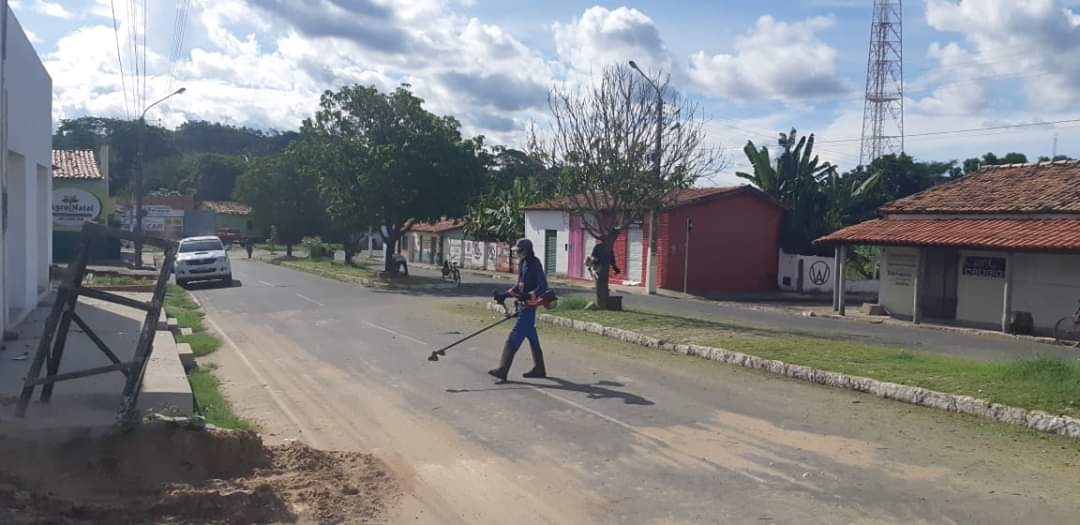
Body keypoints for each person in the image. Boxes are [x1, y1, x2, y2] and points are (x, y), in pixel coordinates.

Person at [488, 238, 548, 381]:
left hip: (529, 307)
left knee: (513, 337)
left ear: (526, 250)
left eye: (519, 251)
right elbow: (519, 286)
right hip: (521, 306)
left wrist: (530, 294)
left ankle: (503, 370)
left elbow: (543, 286)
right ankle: (539, 368)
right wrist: (504, 295)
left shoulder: (535, 264)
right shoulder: (523, 263)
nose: (517, 254)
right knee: (532, 337)